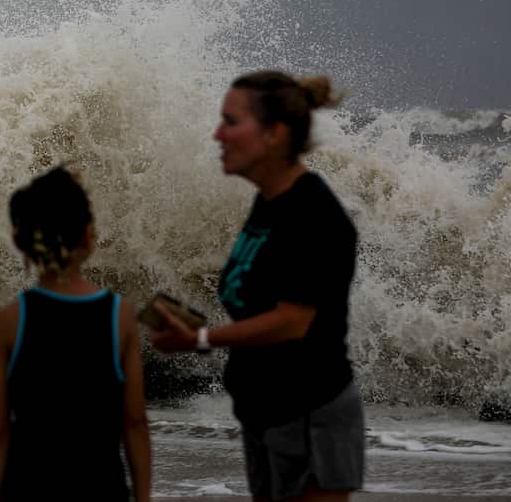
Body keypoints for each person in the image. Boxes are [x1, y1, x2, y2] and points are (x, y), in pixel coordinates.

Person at [149, 70, 363, 502]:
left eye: (230, 122)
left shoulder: (310, 212)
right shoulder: (269, 202)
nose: (217, 134)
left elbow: (292, 322)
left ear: (274, 134)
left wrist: (201, 338)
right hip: (267, 413)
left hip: (309, 413)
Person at [0, 166, 150, 502]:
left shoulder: (8, 322)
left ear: (20, 241)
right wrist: (143, 497)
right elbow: (134, 422)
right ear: (89, 236)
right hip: (102, 488)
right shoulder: (119, 316)